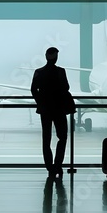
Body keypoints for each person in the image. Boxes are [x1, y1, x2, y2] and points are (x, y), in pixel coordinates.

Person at [31, 47, 74, 179]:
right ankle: (58, 165)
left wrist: (41, 102)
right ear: (56, 58)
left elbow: (33, 89)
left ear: (45, 57)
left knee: (46, 139)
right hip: (59, 109)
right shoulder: (61, 72)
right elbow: (66, 87)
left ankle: (50, 167)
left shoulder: (39, 72)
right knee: (62, 137)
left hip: (45, 110)